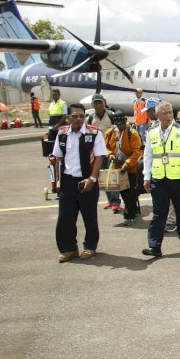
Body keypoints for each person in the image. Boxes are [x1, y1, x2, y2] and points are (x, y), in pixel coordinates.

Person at [52, 103, 106, 262]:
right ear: (68, 118)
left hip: (87, 181)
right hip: (68, 181)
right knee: (65, 218)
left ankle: (90, 247)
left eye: (81, 116)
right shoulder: (62, 134)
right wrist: (56, 183)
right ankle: (69, 249)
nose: (78, 119)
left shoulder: (94, 133)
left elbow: (99, 157)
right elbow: (57, 157)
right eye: (74, 116)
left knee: (89, 217)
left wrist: (92, 179)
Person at [142, 101, 180, 257]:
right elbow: (148, 155)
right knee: (159, 212)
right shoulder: (151, 132)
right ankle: (154, 246)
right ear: (157, 115)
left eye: (170, 112)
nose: (168, 116)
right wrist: (146, 176)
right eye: (164, 113)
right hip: (158, 178)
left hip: (177, 177)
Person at [104, 110, 142, 226]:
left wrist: (127, 164)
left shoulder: (132, 133)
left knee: (131, 193)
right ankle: (133, 210)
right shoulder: (110, 133)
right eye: (117, 123)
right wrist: (109, 154)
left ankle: (129, 216)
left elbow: (137, 152)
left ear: (125, 121)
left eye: (121, 123)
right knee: (123, 192)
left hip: (130, 168)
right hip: (117, 168)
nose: (119, 125)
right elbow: (106, 147)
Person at [89, 93, 121, 212]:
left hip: (111, 151)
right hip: (98, 152)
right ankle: (109, 200)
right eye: (96, 103)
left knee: (112, 175)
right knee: (102, 176)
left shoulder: (111, 115)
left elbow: (118, 133)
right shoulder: (91, 118)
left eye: (100, 102)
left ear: (104, 103)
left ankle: (116, 201)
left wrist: (117, 150)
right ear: (93, 104)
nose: (98, 105)